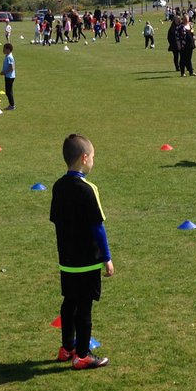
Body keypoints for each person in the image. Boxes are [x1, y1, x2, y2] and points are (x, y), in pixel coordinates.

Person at [49, 134, 113, 370]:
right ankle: (83, 355)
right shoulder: (88, 189)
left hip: (66, 259)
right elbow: (98, 226)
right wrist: (107, 257)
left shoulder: (58, 186)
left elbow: (56, 220)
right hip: (87, 261)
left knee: (69, 303)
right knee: (84, 307)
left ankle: (66, 348)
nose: (93, 161)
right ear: (84, 158)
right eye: (93, 157)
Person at [0, 43, 16, 110]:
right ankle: (11, 105)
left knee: (8, 92)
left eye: (4, 49)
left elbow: (12, 67)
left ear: (8, 50)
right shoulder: (8, 55)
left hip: (9, 77)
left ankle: (12, 105)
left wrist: (4, 72)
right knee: (8, 91)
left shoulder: (9, 57)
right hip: (9, 76)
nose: (3, 50)